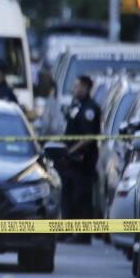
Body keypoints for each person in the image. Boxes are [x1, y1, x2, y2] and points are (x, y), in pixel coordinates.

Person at [61, 75, 101, 244]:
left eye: (76, 86)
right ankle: (67, 231)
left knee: (82, 197)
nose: (73, 89)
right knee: (69, 196)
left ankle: (83, 234)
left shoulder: (89, 109)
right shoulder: (77, 106)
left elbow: (88, 137)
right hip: (72, 160)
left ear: (85, 88)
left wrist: (71, 151)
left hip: (82, 160)